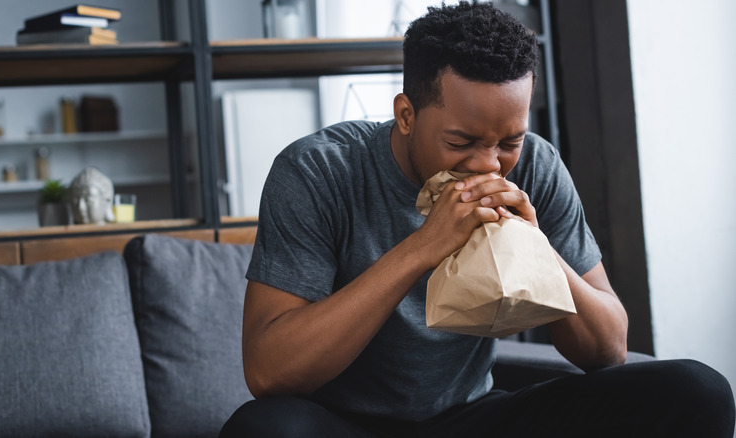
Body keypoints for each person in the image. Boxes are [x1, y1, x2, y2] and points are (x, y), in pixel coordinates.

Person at [220, 2, 735, 437]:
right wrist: (423, 246)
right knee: (265, 428)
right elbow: (269, 372)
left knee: (697, 391)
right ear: (406, 115)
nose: (489, 164)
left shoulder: (535, 164)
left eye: (508, 142)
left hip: (472, 417)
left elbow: (608, 351)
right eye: (461, 142)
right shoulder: (317, 171)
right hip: (343, 424)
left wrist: (537, 248)